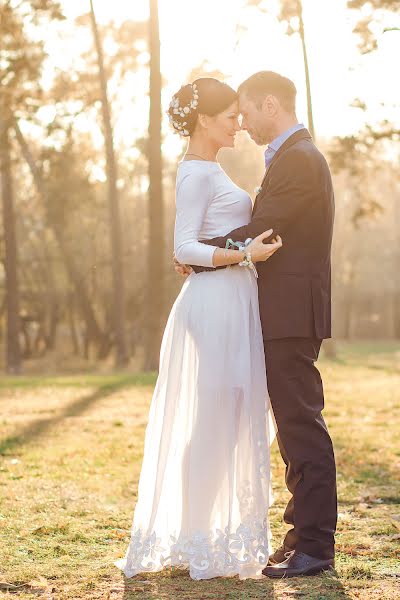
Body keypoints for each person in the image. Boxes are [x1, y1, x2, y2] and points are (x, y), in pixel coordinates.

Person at [115, 77, 282, 581]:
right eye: (231, 115)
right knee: (214, 418)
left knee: (229, 419)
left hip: (234, 300)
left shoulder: (213, 170)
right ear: (205, 120)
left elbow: (199, 243)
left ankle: (206, 532)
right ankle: (195, 536)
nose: (239, 123)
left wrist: (237, 254)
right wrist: (242, 254)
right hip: (212, 305)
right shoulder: (195, 174)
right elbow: (184, 246)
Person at [176, 71, 337, 579]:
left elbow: (266, 227)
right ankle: (299, 537)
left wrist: (205, 254)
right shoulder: (288, 158)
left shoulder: (300, 160)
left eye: (246, 111)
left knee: (301, 425)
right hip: (278, 312)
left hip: (291, 313)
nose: (242, 122)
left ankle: (315, 544)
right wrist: (209, 252)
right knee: (291, 427)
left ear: (272, 104)